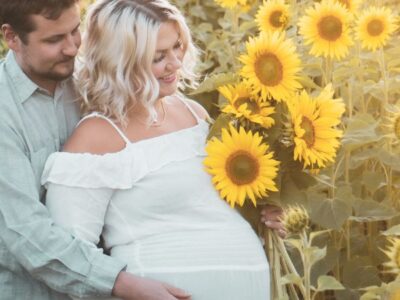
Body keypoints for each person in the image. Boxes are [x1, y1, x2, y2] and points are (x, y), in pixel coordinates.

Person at [42, 0, 277, 299]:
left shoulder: (195, 114)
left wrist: (263, 213)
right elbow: (70, 254)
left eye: (177, 47)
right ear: (121, 61)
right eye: (158, 57)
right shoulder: (96, 136)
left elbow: (211, 205)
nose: (176, 63)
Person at [0, 0, 192, 299]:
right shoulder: (4, 112)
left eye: (75, 31)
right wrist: (120, 282)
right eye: (53, 40)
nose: (72, 48)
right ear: (11, 37)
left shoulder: (96, 84)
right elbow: (24, 231)